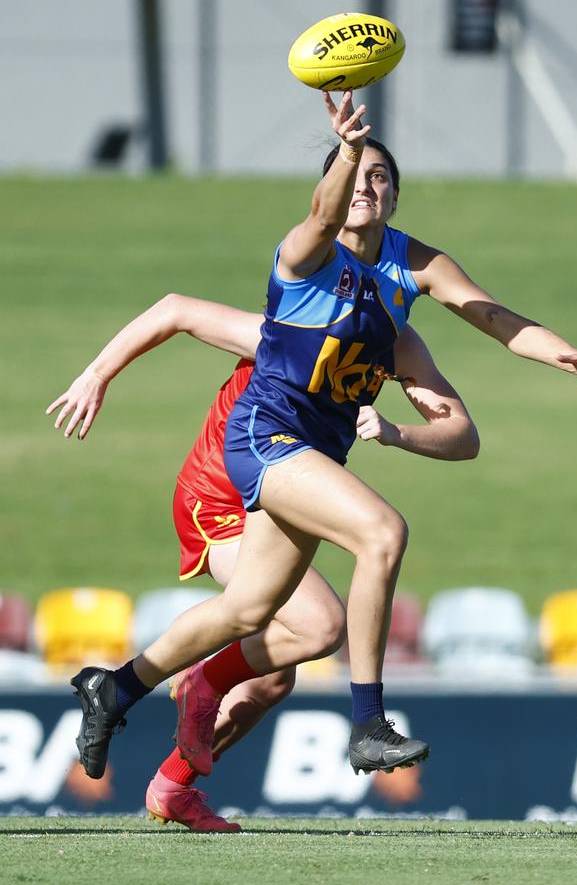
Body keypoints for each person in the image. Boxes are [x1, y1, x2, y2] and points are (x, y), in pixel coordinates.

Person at [64, 91, 577, 802]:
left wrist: (568, 356)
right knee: (383, 533)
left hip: (311, 454)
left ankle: (114, 688)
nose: (367, 185)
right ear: (331, 185)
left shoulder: (407, 274)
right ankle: (368, 721)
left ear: (396, 196)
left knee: (250, 615)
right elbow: (310, 222)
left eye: (382, 176)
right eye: (354, 174)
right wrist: (350, 146)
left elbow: (492, 317)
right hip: (263, 438)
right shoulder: (303, 258)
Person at [49, 292, 479, 831]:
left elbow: (462, 436)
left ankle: (172, 782)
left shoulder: (395, 345)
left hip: (284, 492)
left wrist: (398, 432)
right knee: (317, 623)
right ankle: (165, 684)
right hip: (222, 496)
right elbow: (175, 309)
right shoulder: (298, 331)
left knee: (274, 678)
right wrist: (96, 375)